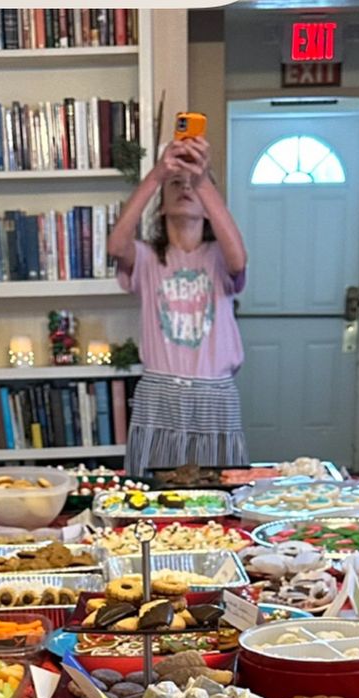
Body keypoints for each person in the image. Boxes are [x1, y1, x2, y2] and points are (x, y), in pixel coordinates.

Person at [107, 136, 249, 475]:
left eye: (194, 185)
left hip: (214, 395)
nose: (186, 187)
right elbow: (116, 246)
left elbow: (239, 258)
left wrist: (202, 180)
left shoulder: (219, 258)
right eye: (176, 183)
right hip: (159, 394)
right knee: (151, 490)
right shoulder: (146, 259)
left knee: (220, 486)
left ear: (210, 206)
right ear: (161, 206)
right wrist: (157, 174)